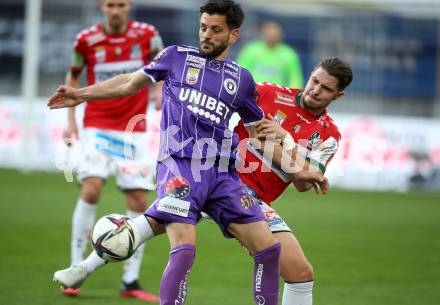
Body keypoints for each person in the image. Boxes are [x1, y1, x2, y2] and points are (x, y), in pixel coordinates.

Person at [49, 1, 328, 305]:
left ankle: (88, 263)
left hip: (223, 175)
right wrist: (80, 94)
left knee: (269, 249)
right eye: (203, 27)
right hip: (180, 167)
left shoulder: (242, 80)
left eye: (215, 29)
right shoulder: (175, 57)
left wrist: (299, 170)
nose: (206, 34)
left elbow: (260, 135)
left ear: (233, 36)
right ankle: (89, 264)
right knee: (184, 249)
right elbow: (130, 82)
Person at [59, 0, 163, 301]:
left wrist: (157, 91)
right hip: (98, 125)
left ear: (128, 6)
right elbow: (73, 75)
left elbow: (162, 66)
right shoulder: (86, 39)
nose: (115, 10)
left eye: (120, 4)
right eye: (109, 4)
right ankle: (74, 269)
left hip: (134, 130)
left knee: (139, 200)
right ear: (101, 7)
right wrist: (70, 119)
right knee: (91, 189)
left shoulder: (148, 35)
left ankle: (130, 281)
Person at [234, 57, 353, 305]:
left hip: (254, 201)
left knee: (301, 274)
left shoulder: (329, 135)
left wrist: (287, 140)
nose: (316, 90)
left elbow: (304, 183)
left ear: (337, 96)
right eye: (314, 81)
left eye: (326, 88)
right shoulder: (269, 93)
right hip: (221, 181)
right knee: (167, 218)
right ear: (309, 76)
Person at [237, 20, 304, 88]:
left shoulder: (289, 54)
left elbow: (295, 79)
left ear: (281, 34)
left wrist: (293, 95)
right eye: (268, 32)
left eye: (274, 33)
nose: (271, 35)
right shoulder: (251, 50)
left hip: (277, 95)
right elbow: (240, 73)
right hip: (252, 93)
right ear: (262, 33)